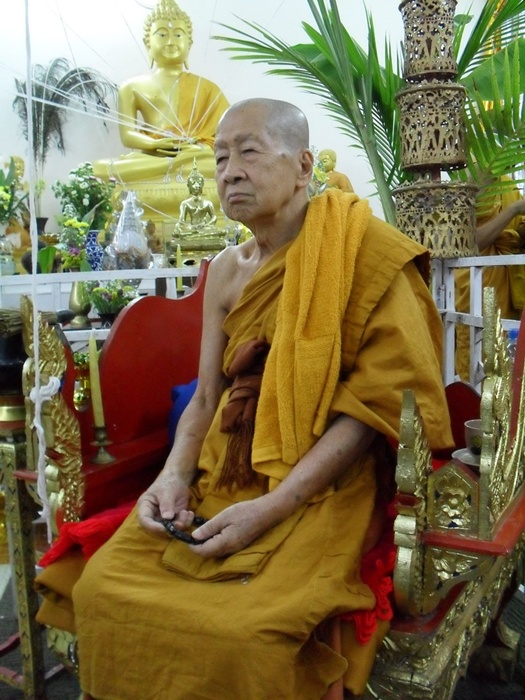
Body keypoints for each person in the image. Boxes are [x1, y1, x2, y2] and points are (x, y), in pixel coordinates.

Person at [72, 98, 452, 699]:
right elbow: (206, 397)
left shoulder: (365, 253)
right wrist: (170, 478)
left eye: (249, 152)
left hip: (322, 482)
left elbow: (370, 410)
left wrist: (272, 507)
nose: (230, 171)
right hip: (222, 471)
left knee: (248, 633)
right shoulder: (226, 269)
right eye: (220, 157)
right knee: (101, 594)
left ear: (303, 166)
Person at [93, 0, 229, 187]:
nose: (170, 41)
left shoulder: (207, 88)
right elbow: (128, 135)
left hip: (195, 155)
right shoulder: (131, 87)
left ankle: (177, 168)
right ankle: (175, 169)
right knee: (100, 169)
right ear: (147, 43)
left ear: (189, 43)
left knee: (219, 165)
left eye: (178, 34)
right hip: (152, 156)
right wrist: (155, 144)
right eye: (162, 34)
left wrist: (198, 148)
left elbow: (226, 136)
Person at [455, 181, 525, 380]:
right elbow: (469, 242)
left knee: (508, 361)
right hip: (479, 285)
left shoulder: (508, 183)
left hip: (509, 283)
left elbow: (515, 235)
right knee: (481, 365)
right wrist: (514, 210)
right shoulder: (473, 177)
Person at [175, 161, 219, 236]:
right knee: (178, 230)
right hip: (191, 229)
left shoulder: (208, 203)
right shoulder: (185, 204)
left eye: (199, 183)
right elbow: (182, 221)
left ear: (202, 184)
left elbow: (214, 217)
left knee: (219, 232)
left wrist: (207, 225)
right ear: (188, 186)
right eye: (193, 183)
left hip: (205, 228)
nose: (196, 186)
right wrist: (189, 227)